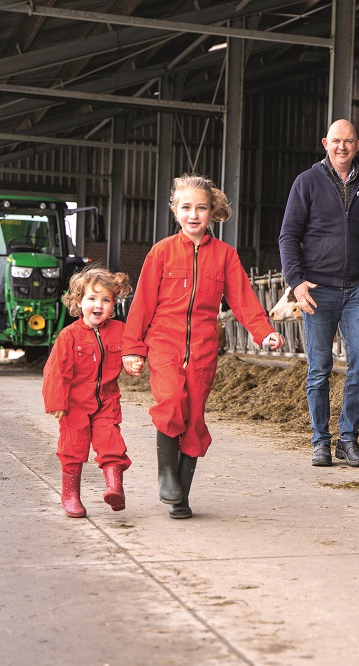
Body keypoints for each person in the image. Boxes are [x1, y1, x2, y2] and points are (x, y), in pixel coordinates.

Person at [122, 174, 284, 519]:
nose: (193, 214)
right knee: (171, 403)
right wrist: (132, 348)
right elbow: (142, 304)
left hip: (203, 348)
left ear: (211, 212)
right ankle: (166, 476)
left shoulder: (225, 256)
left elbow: (243, 299)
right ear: (175, 210)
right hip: (164, 342)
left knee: (194, 419)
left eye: (200, 208)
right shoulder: (161, 252)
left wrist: (263, 332)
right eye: (185, 208)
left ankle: (180, 496)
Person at [278, 118, 359, 468]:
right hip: (317, 290)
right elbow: (288, 236)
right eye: (336, 141)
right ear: (325, 143)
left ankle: (349, 440)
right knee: (320, 367)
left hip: (358, 290)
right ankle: (320, 442)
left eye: (349, 141)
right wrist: (296, 282)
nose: (342, 147)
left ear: (358, 145)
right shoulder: (307, 182)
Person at [42, 265, 134, 518]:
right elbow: (56, 371)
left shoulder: (120, 331)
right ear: (78, 301)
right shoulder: (69, 336)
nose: (99, 305)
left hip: (106, 401)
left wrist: (136, 359)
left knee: (111, 444)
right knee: (72, 448)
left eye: (106, 300)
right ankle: (70, 495)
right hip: (74, 405)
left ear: (114, 304)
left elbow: (135, 348)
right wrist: (56, 403)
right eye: (92, 298)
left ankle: (115, 488)